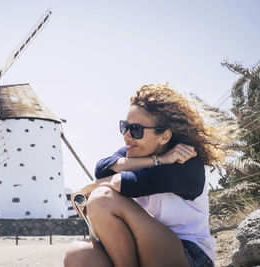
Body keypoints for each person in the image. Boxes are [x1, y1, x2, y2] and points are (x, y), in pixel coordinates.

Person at [64, 84, 224, 267]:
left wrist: (91, 187)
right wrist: (159, 160)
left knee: (101, 198)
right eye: (125, 127)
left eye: (136, 130)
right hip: (136, 253)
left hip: (188, 254)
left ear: (164, 137)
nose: (127, 136)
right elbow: (102, 168)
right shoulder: (134, 154)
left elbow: (135, 183)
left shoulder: (187, 162)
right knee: (78, 254)